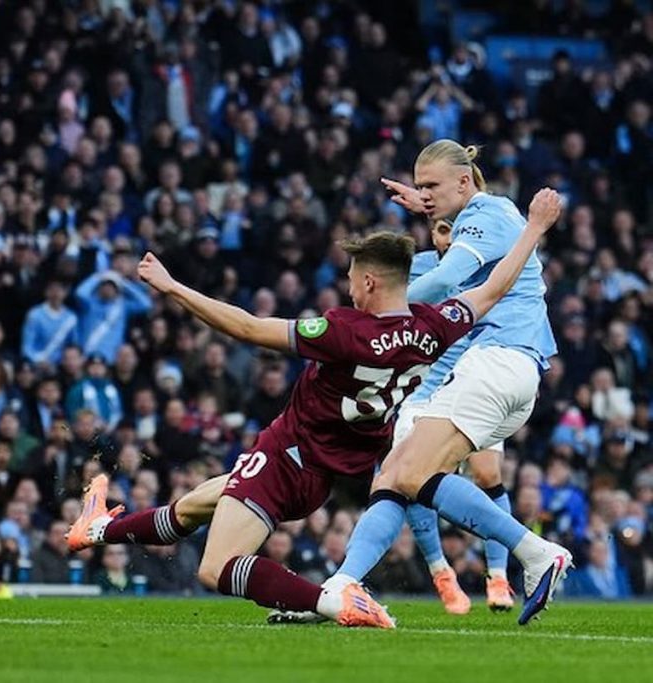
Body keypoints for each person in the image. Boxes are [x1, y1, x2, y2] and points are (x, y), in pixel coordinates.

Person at [68, 200, 559, 628]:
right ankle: (96, 529)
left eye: (350, 278)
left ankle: (332, 600)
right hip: (325, 474)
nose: (347, 288)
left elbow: (246, 327)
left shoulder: (342, 331)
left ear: (368, 280)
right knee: (198, 503)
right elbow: (494, 288)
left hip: (288, 456)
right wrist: (533, 230)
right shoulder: (434, 326)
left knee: (215, 568)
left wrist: (172, 287)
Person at [323, 140, 570, 627]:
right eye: (420, 188)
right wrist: (430, 206)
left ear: (464, 182)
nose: (425, 195)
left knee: (410, 474)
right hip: (503, 370)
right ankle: (342, 585)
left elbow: (443, 280)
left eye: (432, 185)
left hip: (496, 363)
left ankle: (536, 553)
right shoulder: (476, 217)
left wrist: (378, 320)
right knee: (396, 475)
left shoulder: (488, 212)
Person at [396, 219, 514, 614]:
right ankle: (440, 572)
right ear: (432, 232)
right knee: (413, 477)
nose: (446, 237)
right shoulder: (419, 267)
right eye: (441, 229)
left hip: (476, 378)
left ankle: (498, 576)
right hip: (425, 386)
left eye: (454, 230)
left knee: (487, 474)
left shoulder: (486, 264)